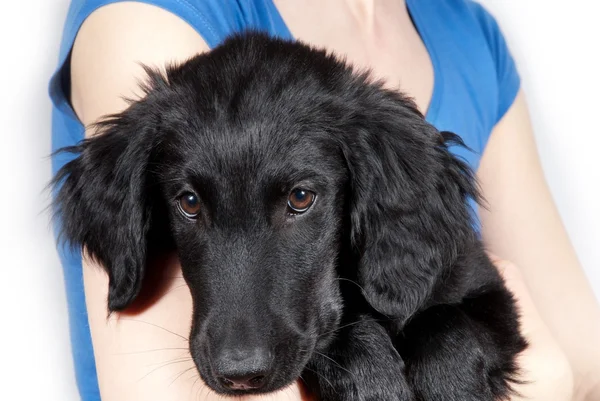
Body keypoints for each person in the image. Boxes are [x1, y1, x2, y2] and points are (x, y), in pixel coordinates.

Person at [49, 1, 600, 400]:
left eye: (300, 197)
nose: (239, 361)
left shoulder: (467, 34)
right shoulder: (151, 17)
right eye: (191, 204)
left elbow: (583, 367)